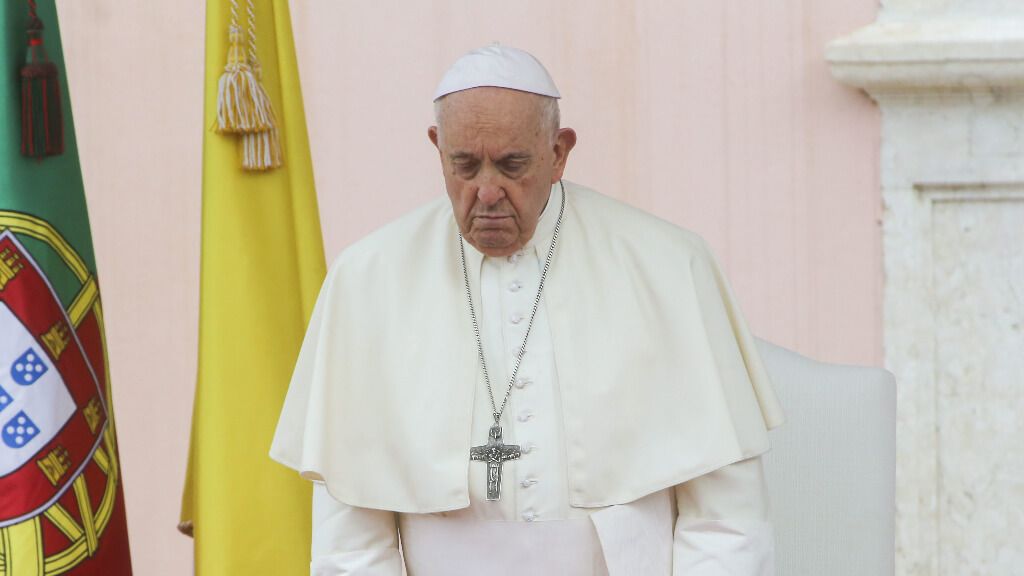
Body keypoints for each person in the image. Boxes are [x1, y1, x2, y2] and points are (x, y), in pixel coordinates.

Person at [271, 44, 785, 576]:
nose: (487, 192)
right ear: (437, 148)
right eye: (464, 165)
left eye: (512, 165)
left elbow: (726, 520)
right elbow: (350, 544)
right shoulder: (367, 280)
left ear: (559, 152)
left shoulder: (668, 266)